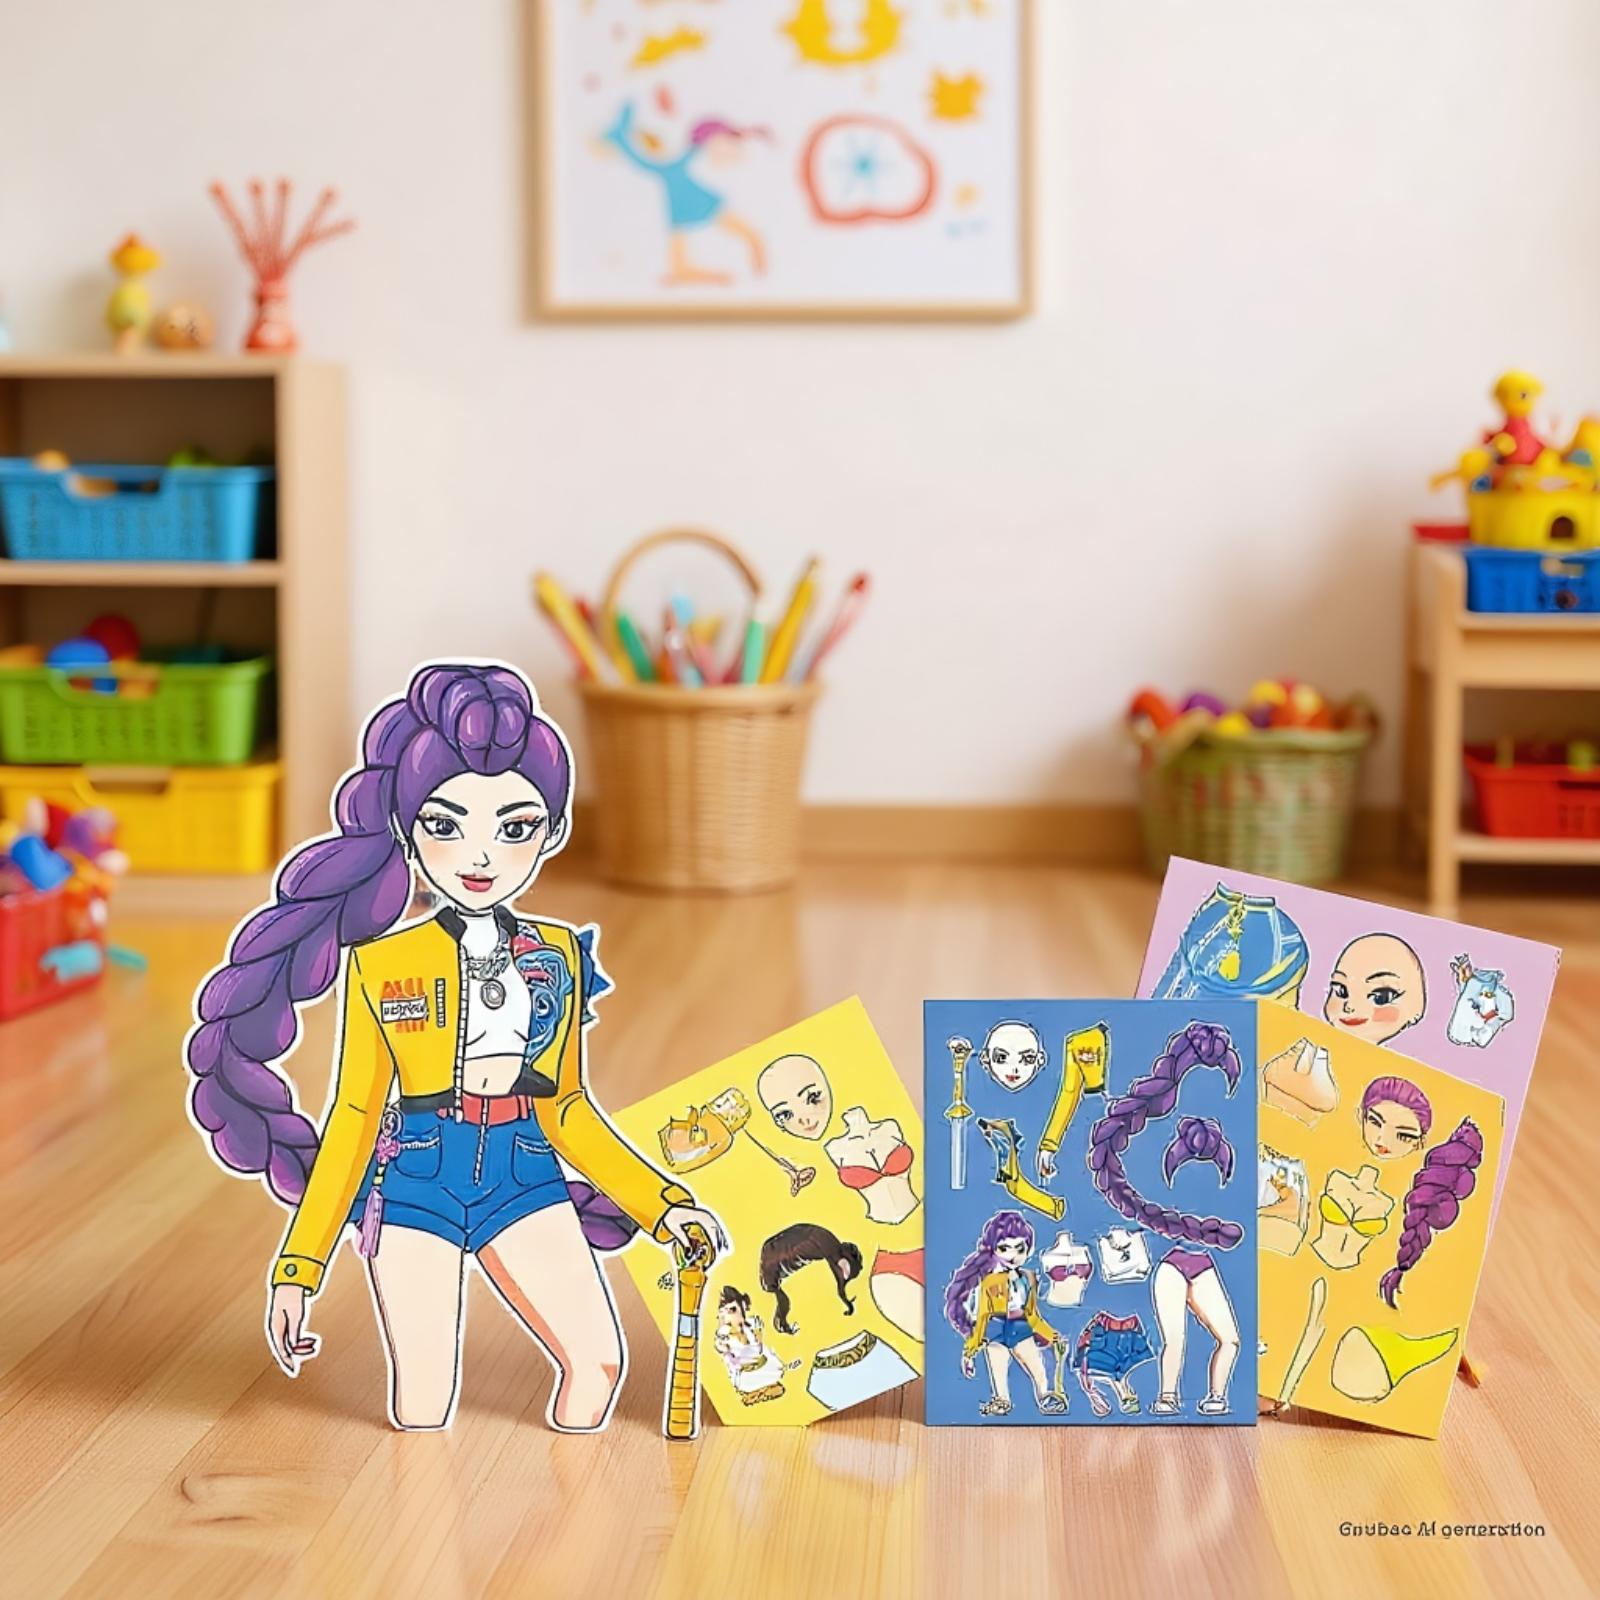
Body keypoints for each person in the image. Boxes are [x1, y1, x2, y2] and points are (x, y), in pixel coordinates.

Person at [186, 662, 723, 1433]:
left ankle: (571, 1503)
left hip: (523, 1170)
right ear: (406, 830)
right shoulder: (383, 963)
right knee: (422, 1401)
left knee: (599, 1366)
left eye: (514, 827)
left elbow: (569, 1108)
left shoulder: (559, 955)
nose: (480, 856)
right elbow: (355, 1115)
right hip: (416, 1178)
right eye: (445, 826)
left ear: (553, 830)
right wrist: (300, 1268)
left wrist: (666, 1208)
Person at [601, 103, 769, 286]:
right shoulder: (685, 160)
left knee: (741, 232)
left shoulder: (690, 159)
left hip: (692, 203)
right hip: (688, 204)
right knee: (684, 256)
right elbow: (647, 163)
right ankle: (739, 265)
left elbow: (648, 164)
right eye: (723, 143)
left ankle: (752, 260)